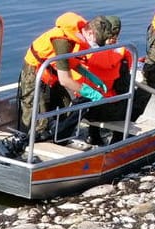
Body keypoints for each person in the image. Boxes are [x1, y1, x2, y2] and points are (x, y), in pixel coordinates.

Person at [18, 12, 102, 140]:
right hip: (34, 73)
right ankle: (27, 142)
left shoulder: (76, 35)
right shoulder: (62, 41)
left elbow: (70, 61)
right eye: (98, 41)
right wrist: (90, 92)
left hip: (51, 75)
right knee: (36, 115)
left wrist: (89, 75)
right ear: (90, 33)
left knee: (66, 106)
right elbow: (65, 80)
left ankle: (57, 136)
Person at [78, 15, 146, 142]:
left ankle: (93, 135)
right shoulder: (120, 56)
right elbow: (124, 87)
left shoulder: (84, 52)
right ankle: (118, 138)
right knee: (133, 98)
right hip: (106, 110)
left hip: (84, 108)